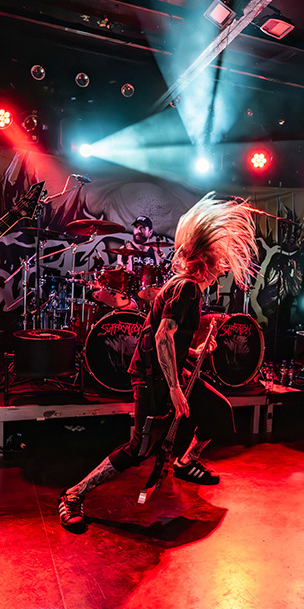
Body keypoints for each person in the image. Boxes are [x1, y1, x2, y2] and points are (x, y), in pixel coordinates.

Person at [59, 194, 260, 532]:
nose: (223, 267)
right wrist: (176, 389)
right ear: (205, 259)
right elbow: (162, 337)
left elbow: (169, 338)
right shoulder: (187, 289)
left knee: (217, 412)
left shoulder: (186, 288)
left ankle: (186, 462)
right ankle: (73, 494)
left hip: (168, 371)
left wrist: (195, 352)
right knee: (139, 449)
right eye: (219, 260)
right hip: (152, 376)